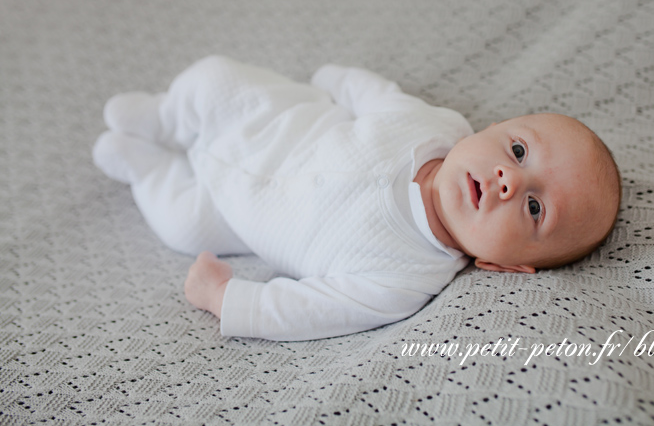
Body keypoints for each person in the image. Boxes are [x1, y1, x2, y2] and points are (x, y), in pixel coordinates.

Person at [93, 56, 620, 341]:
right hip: (276, 124)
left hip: (240, 214)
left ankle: (147, 168)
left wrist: (228, 300)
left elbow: (312, 311)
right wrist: (337, 79)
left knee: (181, 225)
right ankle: (165, 116)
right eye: (519, 149)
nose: (509, 181)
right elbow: (379, 95)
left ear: (506, 266)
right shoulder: (436, 126)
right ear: (494, 128)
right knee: (214, 80)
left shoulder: (406, 280)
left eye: (534, 208)